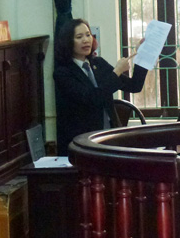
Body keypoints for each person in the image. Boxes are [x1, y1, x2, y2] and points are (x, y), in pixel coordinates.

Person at [54, 18, 148, 155]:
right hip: (81, 142)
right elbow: (92, 98)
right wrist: (116, 72)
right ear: (68, 42)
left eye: (88, 35)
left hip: (108, 135)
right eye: (79, 37)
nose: (86, 40)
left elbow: (134, 86)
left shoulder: (99, 63)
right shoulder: (62, 73)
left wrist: (143, 56)